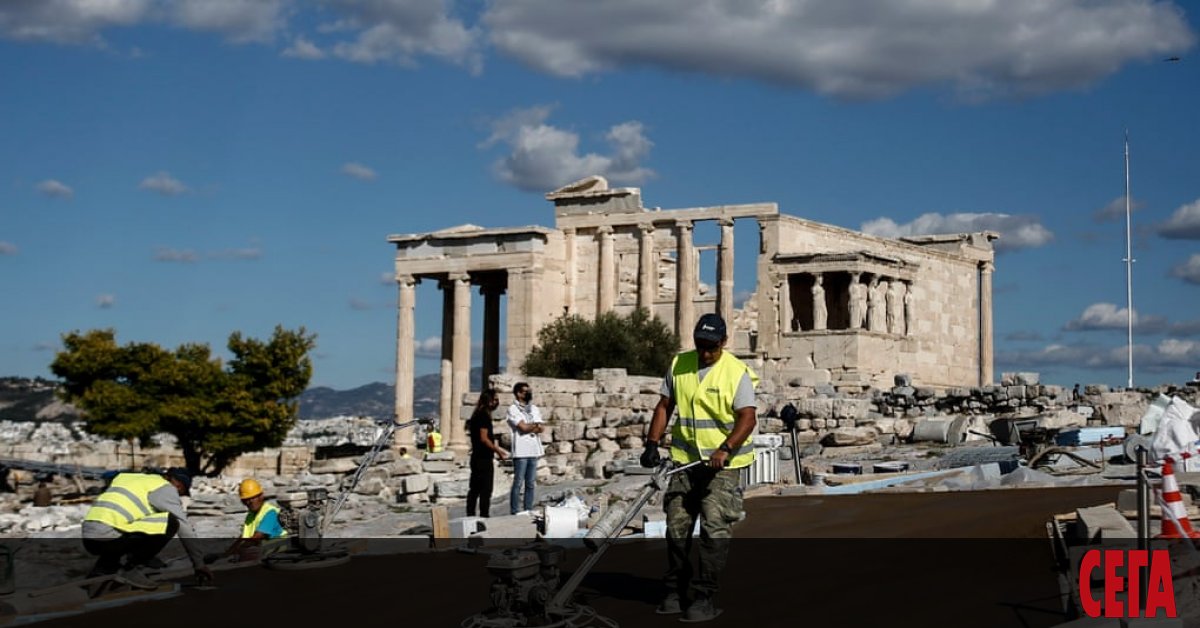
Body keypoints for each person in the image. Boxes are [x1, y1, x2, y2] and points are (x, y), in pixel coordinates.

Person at [641, 313, 758, 623]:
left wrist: (726, 447)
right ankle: (674, 589)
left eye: (711, 347)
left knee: (713, 526)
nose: (705, 353)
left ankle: (705, 594)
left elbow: (748, 417)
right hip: (686, 460)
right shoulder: (680, 364)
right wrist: (652, 443)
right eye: (700, 346)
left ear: (723, 343)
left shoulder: (736, 372)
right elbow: (665, 406)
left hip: (724, 464)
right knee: (676, 525)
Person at [82, 467, 212, 590]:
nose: (177, 496)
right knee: (171, 522)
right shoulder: (165, 488)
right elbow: (184, 527)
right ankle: (130, 569)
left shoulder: (131, 478)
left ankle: (104, 569)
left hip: (90, 538)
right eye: (180, 492)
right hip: (110, 537)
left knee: (130, 524)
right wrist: (199, 564)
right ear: (177, 485)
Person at [209, 478, 288, 563]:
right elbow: (243, 538)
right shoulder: (250, 515)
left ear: (261, 496)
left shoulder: (271, 512)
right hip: (264, 550)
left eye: (252, 498)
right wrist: (226, 554)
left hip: (278, 550)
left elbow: (256, 538)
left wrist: (235, 553)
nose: (249, 502)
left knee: (249, 550)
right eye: (246, 499)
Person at [467, 389, 508, 517]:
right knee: (485, 490)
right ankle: (484, 516)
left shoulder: (476, 415)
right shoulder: (483, 416)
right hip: (483, 458)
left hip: (476, 457)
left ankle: (471, 515)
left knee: (474, 489)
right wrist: (498, 451)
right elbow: (484, 438)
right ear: (489, 400)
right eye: (495, 399)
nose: (497, 402)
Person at [507, 382, 544, 515]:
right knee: (518, 483)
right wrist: (534, 426)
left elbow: (542, 428)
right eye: (525, 391)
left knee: (530, 483)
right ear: (518, 393)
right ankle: (514, 510)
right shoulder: (512, 409)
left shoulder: (533, 408)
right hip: (521, 451)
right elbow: (522, 427)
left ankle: (528, 509)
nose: (528, 393)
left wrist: (531, 426)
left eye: (528, 391)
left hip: (533, 449)